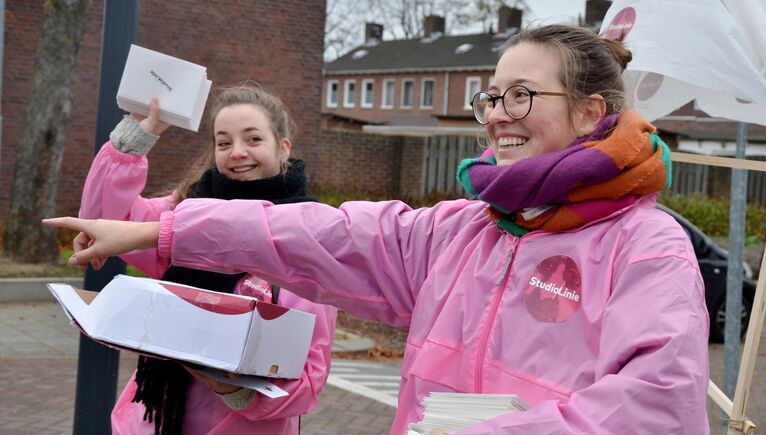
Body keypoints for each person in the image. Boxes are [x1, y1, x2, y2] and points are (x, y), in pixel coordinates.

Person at [47, 25, 710, 434]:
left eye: (522, 95)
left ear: (592, 110)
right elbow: (314, 235)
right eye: (492, 95)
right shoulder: (460, 231)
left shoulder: (645, 247)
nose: (498, 115)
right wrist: (155, 234)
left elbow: (656, 408)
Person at [76, 83, 337, 435]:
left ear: (283, 147)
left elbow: (308, 373)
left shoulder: (309, 235)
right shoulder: (184, 210)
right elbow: (108, 221)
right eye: (224, 142)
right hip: (151, 421)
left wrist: (234, 390)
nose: (238, 152)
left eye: (254, 139)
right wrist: (138, 134)